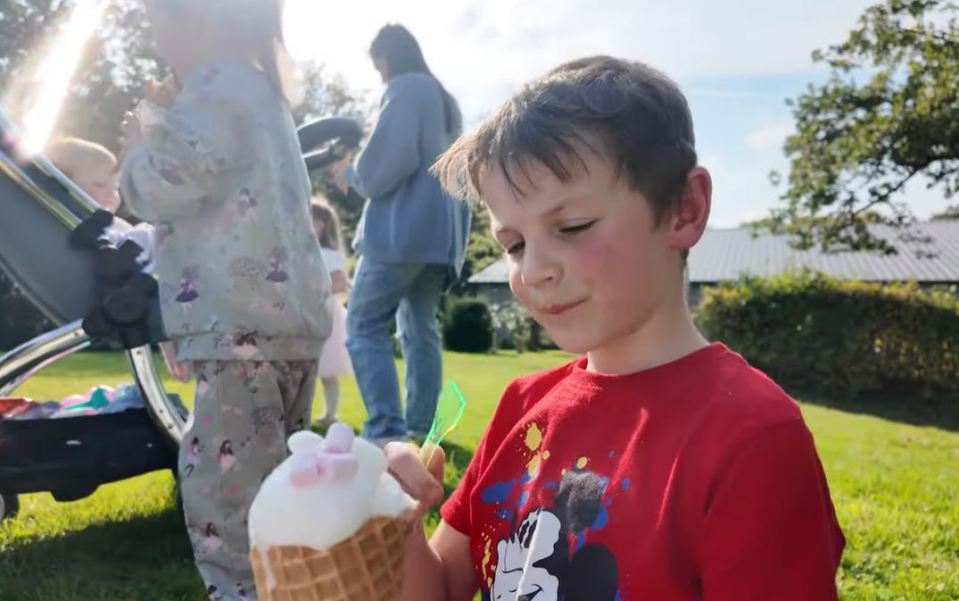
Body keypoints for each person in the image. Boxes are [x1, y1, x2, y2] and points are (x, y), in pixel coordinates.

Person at [386, 56, 846, 601]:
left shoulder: (752, 438)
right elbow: (441, 588)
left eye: (572, 226)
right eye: (514, 244)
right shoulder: (522, 406)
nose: (534, 268)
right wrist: (400, 523)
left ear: (684, 208)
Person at [118, 0, 332, 597]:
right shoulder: (263, 93)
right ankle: (290, 584)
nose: (157, 44)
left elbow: (170, 180)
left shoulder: (216, 82)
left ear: (199, 18)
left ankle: (243, 592)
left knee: (225, 489)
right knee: (280, 482)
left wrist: (139, 143)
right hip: (289, 321)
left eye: (158, 24)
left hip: (238, 322)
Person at [332, 24, 470, 445]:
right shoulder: (447, 102)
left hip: (401, 233)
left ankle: (385, 430)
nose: (378, 74)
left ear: (386, 57)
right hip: (441, 237)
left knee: (363, 326)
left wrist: (351, 174)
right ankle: (421, 427)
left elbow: (387, 163)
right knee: (419, 328)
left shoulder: (406, 88)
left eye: (377, 65)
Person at [310, 198, 353, 428]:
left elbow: (340, 284)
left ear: (324, 225)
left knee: (327, 369)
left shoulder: (329, 254)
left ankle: (330, 412)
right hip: (306, 314)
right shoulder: (300, 250)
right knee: (305, 368)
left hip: (327, 316)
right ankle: (304, 410)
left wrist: (316, 288)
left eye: (314, 220)